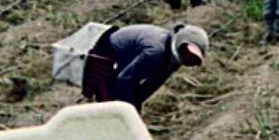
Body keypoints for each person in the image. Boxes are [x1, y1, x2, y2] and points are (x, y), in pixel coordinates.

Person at [80, 23, 209, 109]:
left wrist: (136, 105)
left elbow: (152, 85)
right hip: (106, 55)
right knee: (108, 105)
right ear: (181, 43)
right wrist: (131, 109)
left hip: (126, 64)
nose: (187, 58)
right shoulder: (155, 51)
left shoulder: (173, 60)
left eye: (192, 59)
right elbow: (125, 79)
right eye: (187, 52)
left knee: (125, 105)